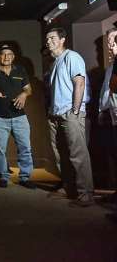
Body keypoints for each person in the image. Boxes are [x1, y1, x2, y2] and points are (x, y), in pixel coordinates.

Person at [45, 27, 94, 207]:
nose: (48, 41)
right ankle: (70, 188)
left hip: (70, 113)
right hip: (56, 114)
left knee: (78, 154)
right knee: (61, 154)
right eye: (47, 39)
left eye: (52, 38)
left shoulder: (71, 57)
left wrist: (74, 111)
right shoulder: (55, 62)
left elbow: (79, 83)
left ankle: (86, 194)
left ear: (62, 39)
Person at [0, 44, 36, 189]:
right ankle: (2, 177)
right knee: (0, 149)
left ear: (13, 57)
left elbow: (28, 88)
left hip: (19, 117)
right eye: (3, 54)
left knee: (25, 148)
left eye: (9, 54)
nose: (6, 57)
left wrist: (24, 94)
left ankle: (25, 178)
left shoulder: (20, 70)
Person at [103, 29, 117, 222]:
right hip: (113, 116)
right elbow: (108, 91)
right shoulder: (112, 66)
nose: (110, 46)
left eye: (113, 42)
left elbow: (114, 86)